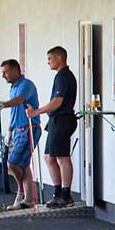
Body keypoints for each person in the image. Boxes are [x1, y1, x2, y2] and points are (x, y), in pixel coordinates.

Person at [29, 46, 79, 208]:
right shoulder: (60, 76)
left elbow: (57, 102)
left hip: (63, 119)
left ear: (59, 58)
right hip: (55, 120)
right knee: (49, 157)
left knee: (62, 157)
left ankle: (66, 195)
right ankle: (58, 193)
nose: (48, 62)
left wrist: (37, 111)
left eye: (50, 59)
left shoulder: (64, 77)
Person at [0, 58, 40, 211]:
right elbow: (15, 112)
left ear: (15, 70)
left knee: (12, 163)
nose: (3, 76)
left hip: (29, 128)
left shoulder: (26, 85)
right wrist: (10, 130)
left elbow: (19, 101)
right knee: (23, 164)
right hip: (18, 130)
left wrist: (3, 105)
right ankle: (28, 199)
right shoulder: (13, 87)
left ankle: (20, 192)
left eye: (5, 72)